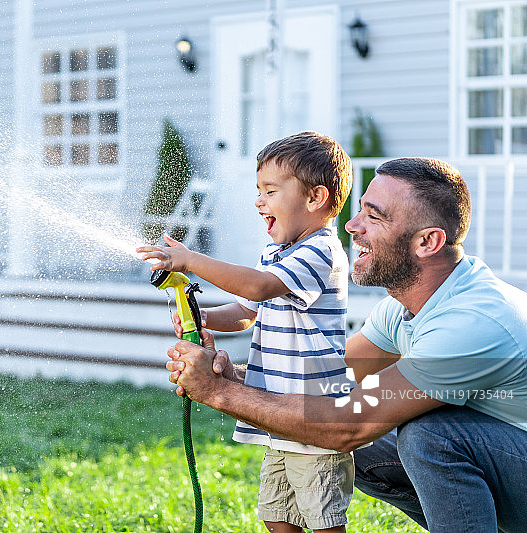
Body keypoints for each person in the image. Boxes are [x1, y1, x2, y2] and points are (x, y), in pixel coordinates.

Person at [163, 157, 527, 533]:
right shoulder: (406, 306)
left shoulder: (473, 322)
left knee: (426, 435)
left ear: (427, 242)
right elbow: (331, 381)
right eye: (360, 210)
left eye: (374, 216)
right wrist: (233, 377)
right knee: (365, 444)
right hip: (508, 462)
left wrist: (217, 392)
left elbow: (348, 425)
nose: (352, 225)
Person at [138, 131, 355, 533]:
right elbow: (245, 311)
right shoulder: (275, 253)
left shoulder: (321, 250)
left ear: (315, 198)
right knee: (277, 516)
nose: (259, 201)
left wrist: (190, 261)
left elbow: (256, 288)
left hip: (313, 415)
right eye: (259, 191)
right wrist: (202, 317)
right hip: (278, 414)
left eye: (270, 191)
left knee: (323, 520)